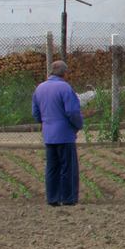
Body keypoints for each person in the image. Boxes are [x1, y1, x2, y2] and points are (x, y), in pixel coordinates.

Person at [32, 60, 83, 207]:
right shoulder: (65, 88)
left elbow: (35, 113)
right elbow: (72, 112)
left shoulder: (39, 88)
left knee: (52, 167)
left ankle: (52, 198)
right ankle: (68, 198)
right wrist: (78, 125)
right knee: (68, 167)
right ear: (64, 73)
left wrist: (46, 123)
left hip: (49, 134)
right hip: (65, 134)